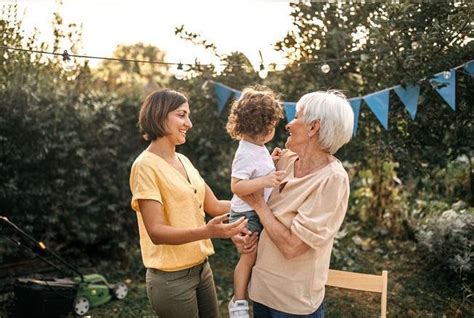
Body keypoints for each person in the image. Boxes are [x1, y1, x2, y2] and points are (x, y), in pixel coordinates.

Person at [129, 89, 249, 318]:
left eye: (188, 116)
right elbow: (156, 232)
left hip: (202, 269)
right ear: (160, 115)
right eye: (182, 115)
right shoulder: (144, 166)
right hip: (170, 279)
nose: (189, 123)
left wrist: (259, 201)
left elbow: (214, 205)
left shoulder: (183, 160)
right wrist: (207, 231)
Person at [234, 90, 354, 317]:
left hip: (292, 304)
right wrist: (241, 233)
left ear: (313, 127)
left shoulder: (333, 180)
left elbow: (292, 247)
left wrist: (259, 206)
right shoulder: (285, 159)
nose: (289, 124)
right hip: (260, 291)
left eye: (297, 117)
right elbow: (246, 201)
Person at [225, 87, 285, 317]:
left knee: (256, 257)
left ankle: (248, 294)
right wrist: (266, 180)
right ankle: (238, 302)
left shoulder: (257, 148)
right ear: (262, 128)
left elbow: (255, 172)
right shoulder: (245, 153)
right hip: (245, 215)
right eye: (272, 126)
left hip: (253, 211)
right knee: (248, 257)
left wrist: (271, 161)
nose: (273, 130)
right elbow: (237, 186)